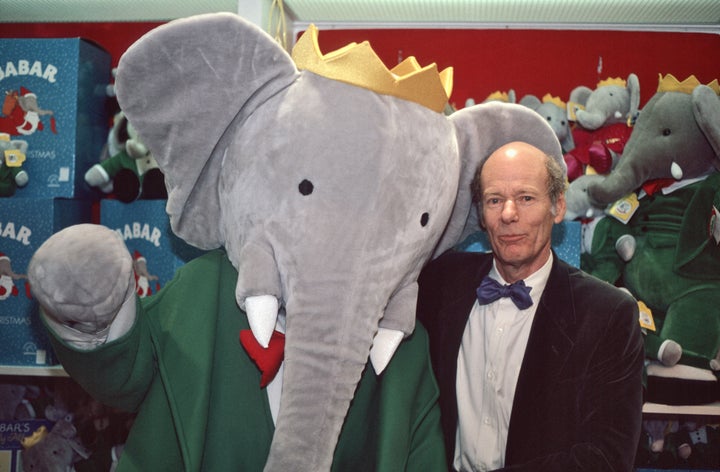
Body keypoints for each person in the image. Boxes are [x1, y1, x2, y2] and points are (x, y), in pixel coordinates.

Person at [417, 141, 644, 471]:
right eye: (495, 200)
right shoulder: (438, 284)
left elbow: (606, 457)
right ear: (481, 214)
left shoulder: (608, 315)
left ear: (558, 206)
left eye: (526, 197)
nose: (509, 214)